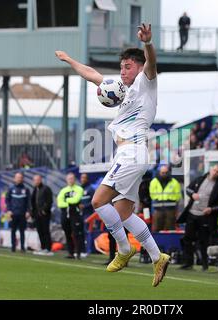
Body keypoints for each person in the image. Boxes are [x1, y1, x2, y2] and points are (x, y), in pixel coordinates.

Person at [55, 23, 170, 287]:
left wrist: (148, 43)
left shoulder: (146, 82)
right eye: (121, 67)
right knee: (124, 212)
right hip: (131, 154)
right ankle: (157, 256)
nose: (122, 71)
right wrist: (70, 59)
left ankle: (123, 248)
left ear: (138, 67)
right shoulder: (122, 88)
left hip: (131, 152)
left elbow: (151, 62)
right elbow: (93, 75)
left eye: (127, 67)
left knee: (98, 201)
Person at [177, 164, 218, 271]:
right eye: (214, 170)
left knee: (204, 241)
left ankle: (205, 264)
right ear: (210, 170)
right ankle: (188, 263)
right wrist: (193, 194)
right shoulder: (199, 179)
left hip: (205, 217)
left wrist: (211, 209)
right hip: (192, 213)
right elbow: (188, 189)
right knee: (187, 239)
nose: (215, 173)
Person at [57, 173, 84, 259]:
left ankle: (79, 252)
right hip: (65, 213)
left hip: (75, 214)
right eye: (69, 178)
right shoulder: (63, 190)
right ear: (66, 180)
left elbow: (76, 199)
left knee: (76, 233)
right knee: (67, 233)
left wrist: (67, 200)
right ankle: (70, 253)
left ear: (74, 179)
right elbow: (60, 203)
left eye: (72, 178)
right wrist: (69, 202)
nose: (70, 180)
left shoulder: (79, 189)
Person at [149, 165, 182, 232]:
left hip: (170, 209)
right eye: (162, 172)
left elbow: (178, 196)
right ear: (159, 172)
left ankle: (171, 242)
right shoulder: (154, 182)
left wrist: (169, 200)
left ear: (169, 172)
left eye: (166, 172)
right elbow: (152, 194)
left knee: (170, 228)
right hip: (158, 209)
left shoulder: (174, 182)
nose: (164, 174)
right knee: (157, 228)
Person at [6, 172, 31, 253]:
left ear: (22, 179)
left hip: (22, 214)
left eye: (20, 177)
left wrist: (28, 211)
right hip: (13, 213)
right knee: (13, 230)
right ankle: (13, 247)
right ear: (14, 178)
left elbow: (28, 202)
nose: (19, 179)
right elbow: (7, 201)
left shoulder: (26, 190)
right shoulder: (11, 189)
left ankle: (22, 247)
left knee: (22, 231)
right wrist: (9, 210)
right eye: (17, 177)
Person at [31, 175, 53, 256]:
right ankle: (43, 247)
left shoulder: (46, 189)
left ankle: (48, 248)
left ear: (40, 180)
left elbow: (49, 201)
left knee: (45, 231)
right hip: (37, 214)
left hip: (44, 214)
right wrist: (32, 212)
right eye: (34, 180)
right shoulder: (35, 190)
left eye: (37, 180)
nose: (36, 181)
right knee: (39, 231)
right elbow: (33, 202)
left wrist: (44, 210)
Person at [80, 173, 95, 257]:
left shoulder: (91, 189)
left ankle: (88, 250)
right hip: (80, 214)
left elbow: (94, 201)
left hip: (88, 214)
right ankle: (82, 250)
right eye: (81, 177)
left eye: (84, 178)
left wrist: (84, 206)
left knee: (88, 232)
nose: (82, 179)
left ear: (87, 179)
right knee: (81, 232)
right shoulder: (80, 188)